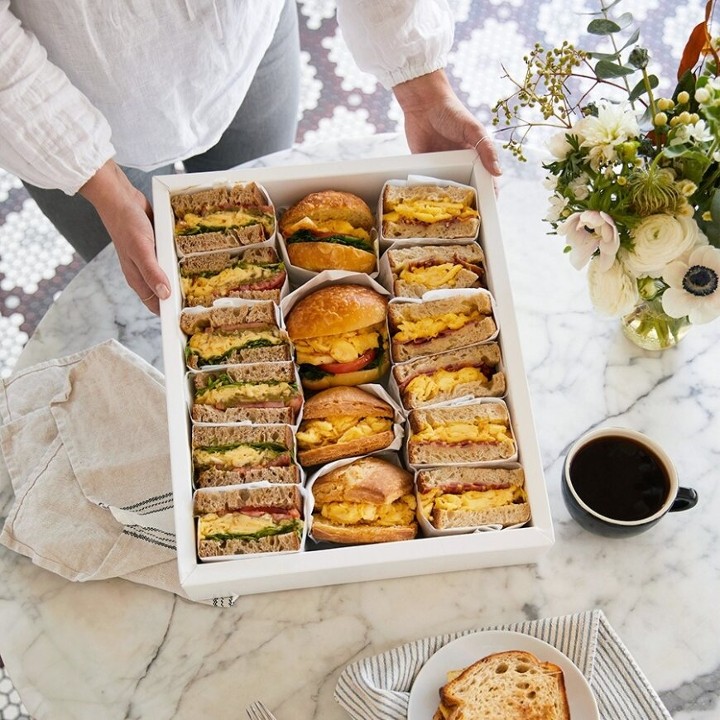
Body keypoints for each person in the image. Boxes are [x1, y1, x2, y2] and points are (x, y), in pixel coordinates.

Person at [0, 0, 500, 315]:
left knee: (260, 209)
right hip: (59, 99)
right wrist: (102, 185)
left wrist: (419, 82)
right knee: (143, 280)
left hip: (244, 36)